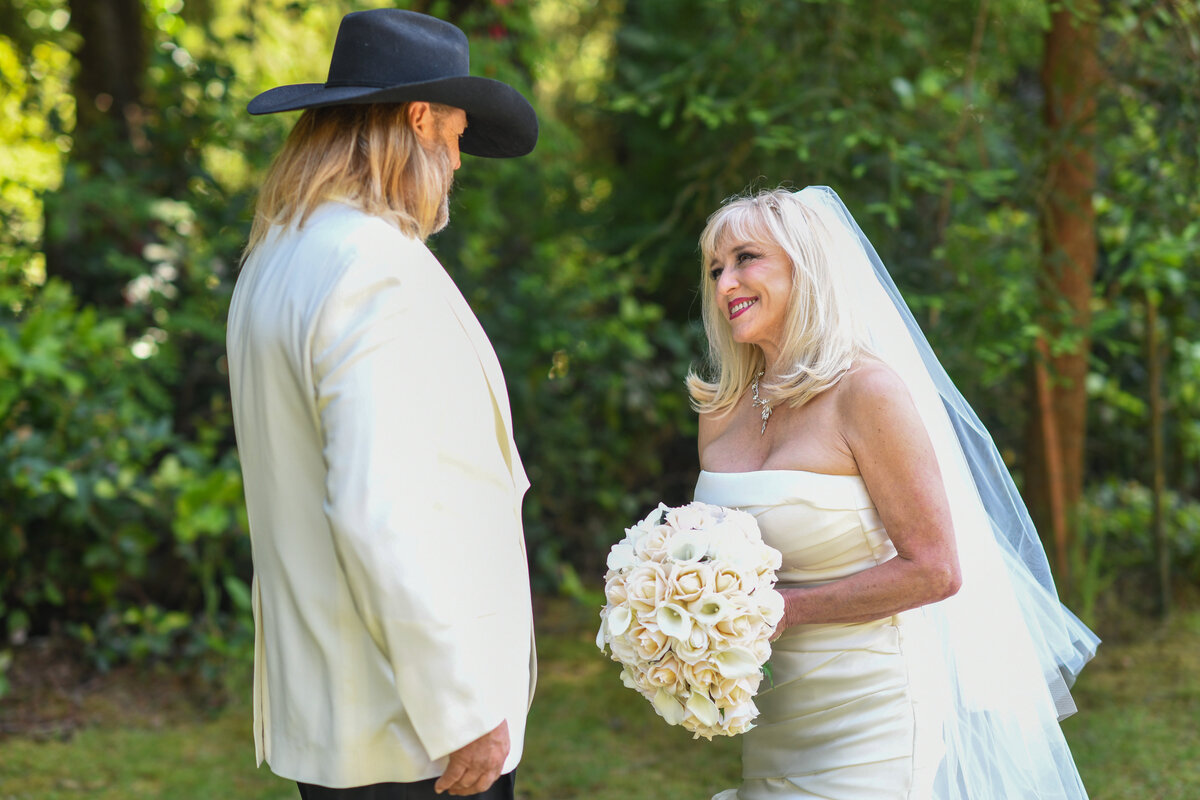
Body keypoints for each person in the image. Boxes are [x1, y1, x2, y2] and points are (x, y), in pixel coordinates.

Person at [689, 186, 1099, 799]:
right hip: (774, 706)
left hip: (871, 712)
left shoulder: (867, 392)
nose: (726, 284)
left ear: (807, 265)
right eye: (716, 268)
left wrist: (781, 611)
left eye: (747, 258)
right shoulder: (722, 408)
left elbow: (935, 570)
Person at [226, 9, 539, 800]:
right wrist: (459, 708)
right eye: (459, 135)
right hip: (411, 734)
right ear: (420, 119)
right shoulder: (372, 268)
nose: (460, 162)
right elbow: (378, 508)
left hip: (338, 720)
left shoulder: (276, 259)